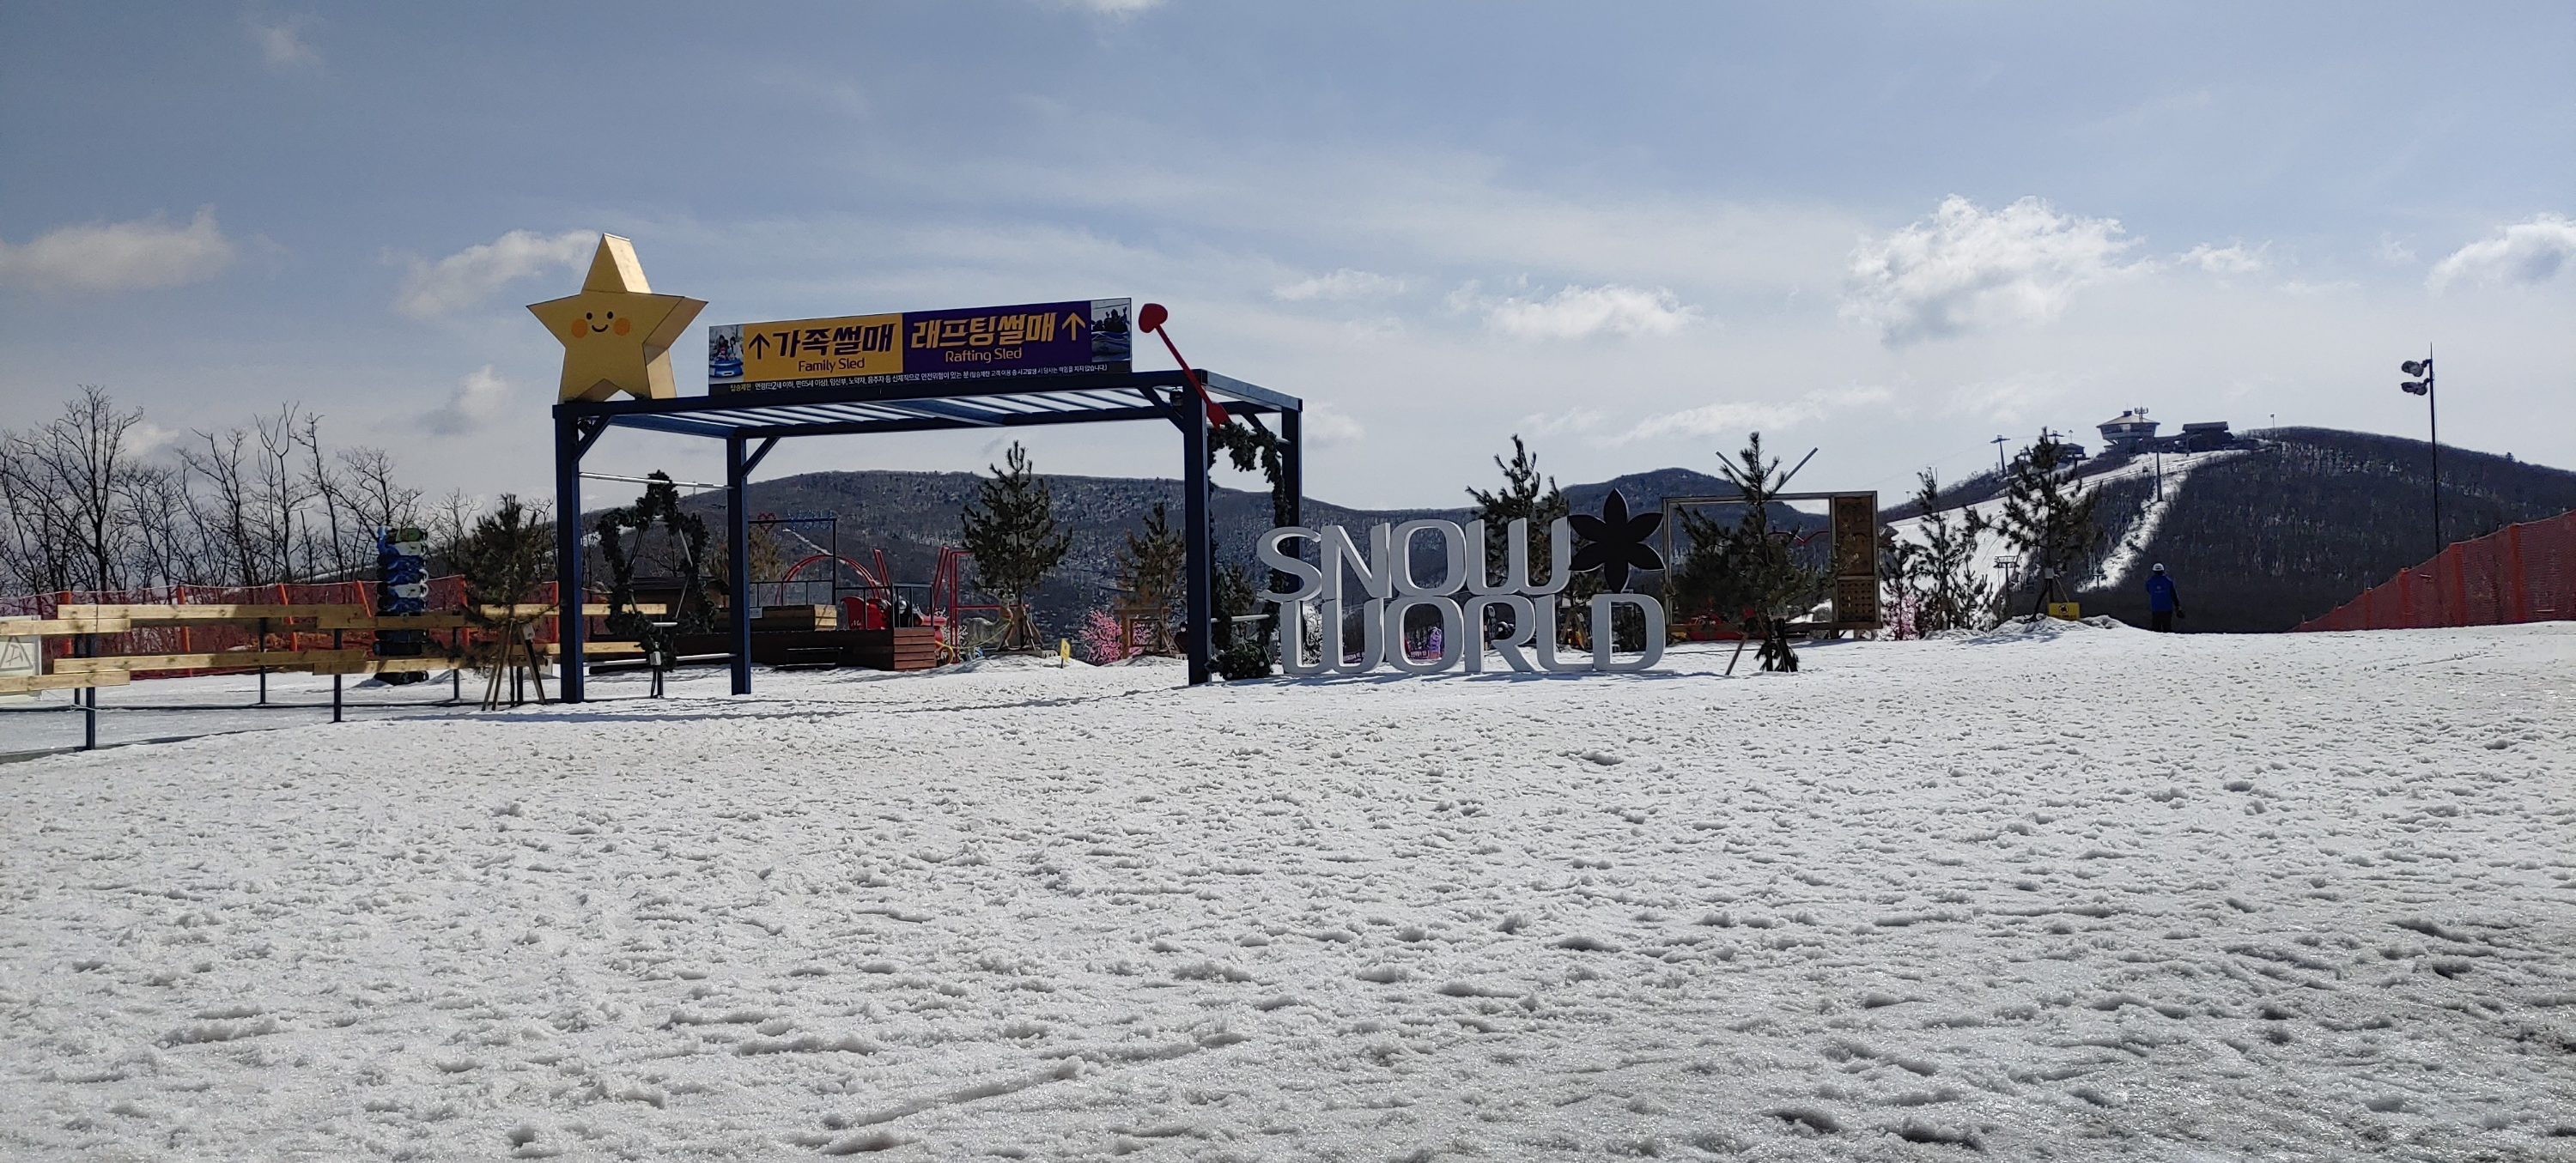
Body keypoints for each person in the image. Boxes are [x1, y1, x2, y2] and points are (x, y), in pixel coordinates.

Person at [2145, 563, 2184, 632]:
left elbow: (2149, 590)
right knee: (2167, 628)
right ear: (2163, 571)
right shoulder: (2168, 581)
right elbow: (2173, 595)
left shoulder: (2149, 582)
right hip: (2167, 608)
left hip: (2155, 608)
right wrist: (2177, 606)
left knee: (2155, 629)